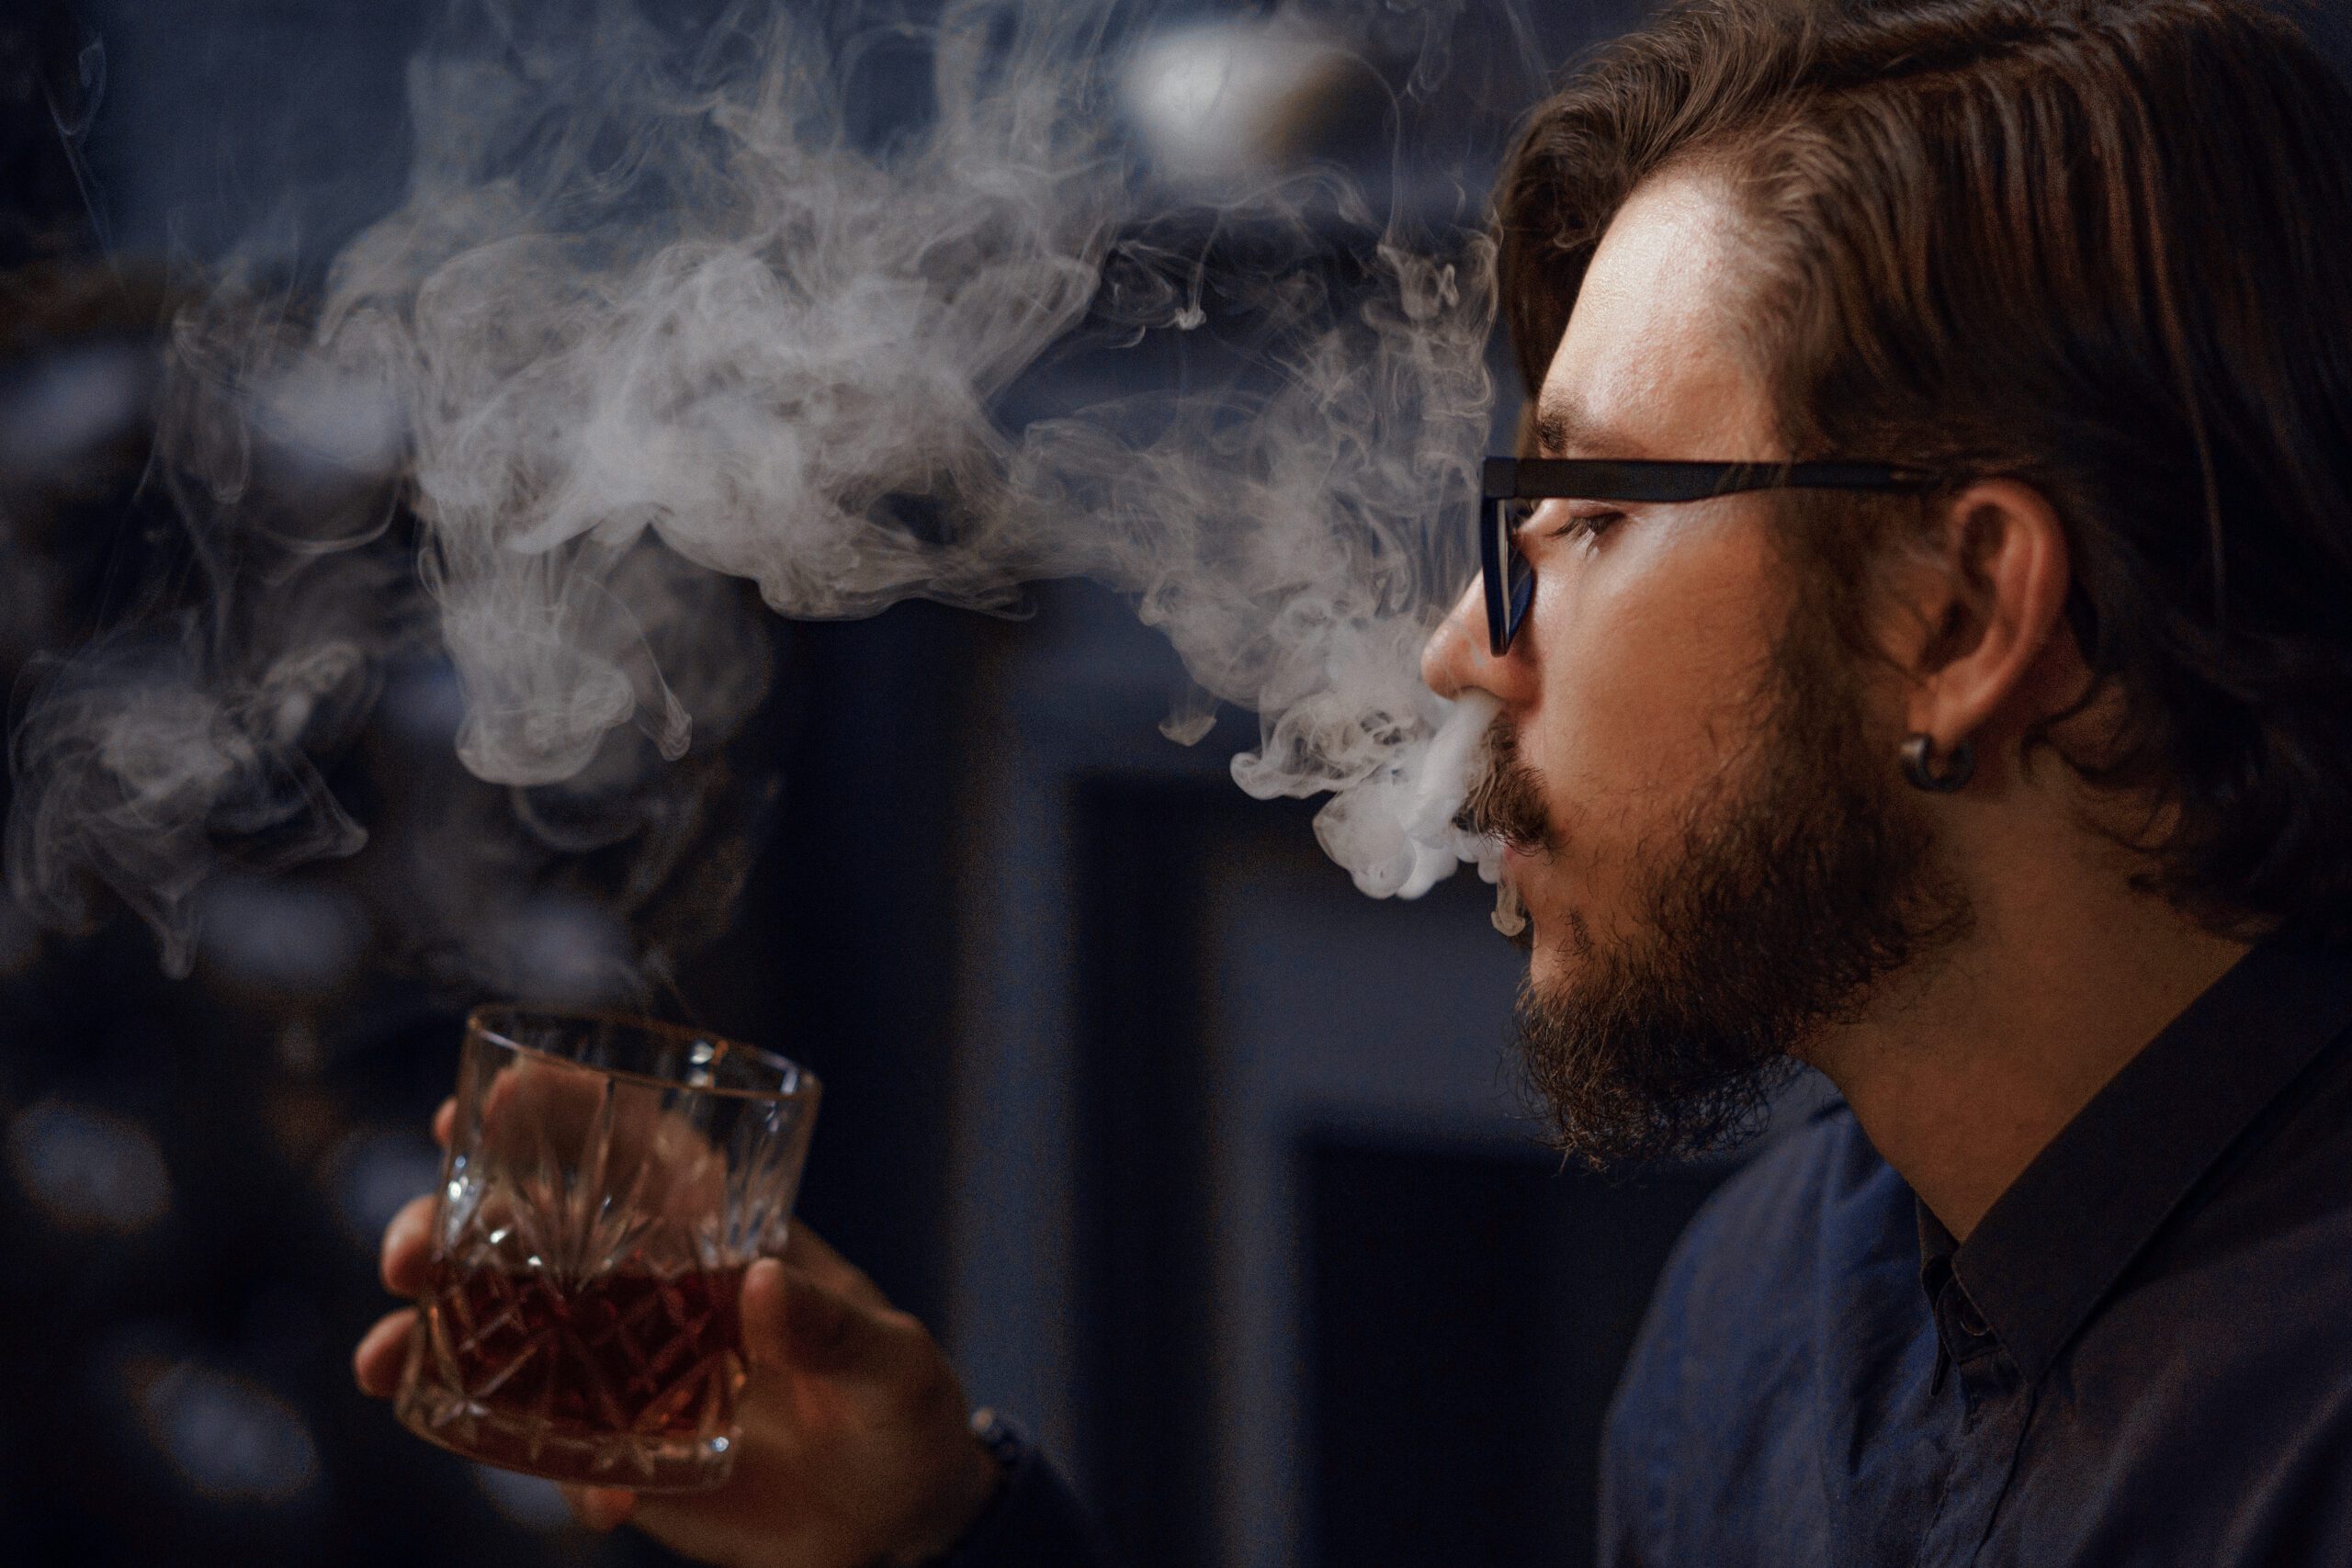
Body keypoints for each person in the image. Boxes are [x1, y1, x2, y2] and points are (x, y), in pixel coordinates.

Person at [356, 0, 2352, 1561]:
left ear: (1958, 608)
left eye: (1572, 510)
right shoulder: (1755, 1318)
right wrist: (932, 1533)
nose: (1458, 648)